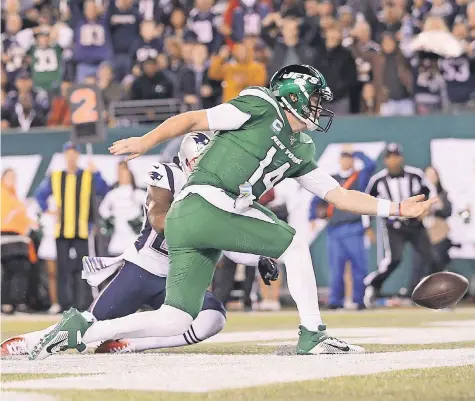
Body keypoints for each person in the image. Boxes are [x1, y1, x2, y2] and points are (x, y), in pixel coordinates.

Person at [30, 64, 437, 360]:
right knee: (294, 245)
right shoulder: (262, 105)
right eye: (313, 99)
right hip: (207, 202)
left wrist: (395, 207)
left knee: (175, 318)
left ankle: (84, 329)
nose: (318, 107)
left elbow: (337, 195)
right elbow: (193, 119)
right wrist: (148, 140)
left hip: (192, 220)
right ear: (292, 95)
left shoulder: (302, 148)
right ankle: (313, 335)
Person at [2, 133, 278, 357]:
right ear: (186, 162)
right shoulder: (168, 174)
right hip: (143, 269)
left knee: (213, 318)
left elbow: (227, 241)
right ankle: (28, 342)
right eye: (200, 161)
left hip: (178, 279)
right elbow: (158, 217)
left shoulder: (220, 191)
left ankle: (129, 344)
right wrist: (206, 224)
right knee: (90, 324)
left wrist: (258, 257)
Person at [34, 142, 109, 312]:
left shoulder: (88, 176)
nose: (71, 157)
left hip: (82, 231)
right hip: (62, 231)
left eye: (74, 153)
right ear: (64, 156)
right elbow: (40, 195)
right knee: (63, 269)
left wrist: (97, 172)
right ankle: (63, 303)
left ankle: (83, 303)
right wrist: (49, 210)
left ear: (78, 155)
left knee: (83, 269)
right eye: (68, 154)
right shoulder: (56, 177)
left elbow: (104, 190)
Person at [364, 143, 439, 307]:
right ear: (385, 160)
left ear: (401, 157)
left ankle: (436, 294)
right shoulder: (378, 180)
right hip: (393, 225)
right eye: (390, 157)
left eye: (396, 156)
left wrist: (426, 209)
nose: (394, 160)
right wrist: (367, 227)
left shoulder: (415, 174)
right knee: (394, 259)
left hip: (415, 224)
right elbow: (365, 202)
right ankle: (373, 286)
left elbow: (431, 191)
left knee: (431, 258)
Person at [309, 149, 376, 310]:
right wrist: (312, 217)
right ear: (339, 160)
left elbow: (371, 165)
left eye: (349, 158)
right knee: (336, 269)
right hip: (335, 230)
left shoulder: (359, 177)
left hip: (354, 227)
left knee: (359, 268)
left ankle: (359, 300)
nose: (347, 161)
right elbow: (316, 198)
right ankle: (335, 301)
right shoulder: (332, 179)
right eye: (344, 158)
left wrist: (358, 153)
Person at [1, 169, 37, 314]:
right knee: (15, 270)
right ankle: (14, 303)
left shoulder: (14, 196)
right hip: (8, 237)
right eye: (9, 176)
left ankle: (11, 303)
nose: (12, 179)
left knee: (16, 271)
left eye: (14, 176)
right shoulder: (4, 195)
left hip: (19, 239)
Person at [98, 161, 146, 257]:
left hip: (134, 236)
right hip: (118, 235)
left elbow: (151, 207)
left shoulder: (138, 193)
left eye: (125, 173)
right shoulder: (113, 194)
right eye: (120, 174)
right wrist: (110, 218)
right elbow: (102, 209)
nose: (123, 176)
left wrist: (142, 219)